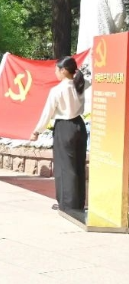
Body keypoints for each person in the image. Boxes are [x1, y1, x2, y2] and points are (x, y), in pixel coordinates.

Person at [31, 57, 88, 214]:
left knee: (65, 167)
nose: (55, 73)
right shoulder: (81, 84)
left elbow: (47, 113)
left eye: (57, 70)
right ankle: (78, 203)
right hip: (79, 125)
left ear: (63, 70)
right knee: (78, 165)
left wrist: (37, 131)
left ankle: (67, 204)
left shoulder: (57, 90)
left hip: (64, 127)